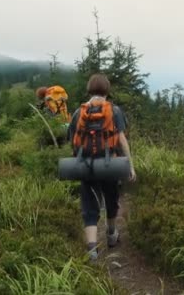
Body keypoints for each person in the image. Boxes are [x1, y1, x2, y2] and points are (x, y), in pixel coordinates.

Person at [67, 73, 137, 262]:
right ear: (107, 90)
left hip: (86, 166)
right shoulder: (114, 111)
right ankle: (112, 235)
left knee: (89, 206)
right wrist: (130, 165)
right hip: (110, 165)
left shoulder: (78, 112)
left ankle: (92, 251)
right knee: (111, 199)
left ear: (89, 89)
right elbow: (122, 140)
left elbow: (72, 141)